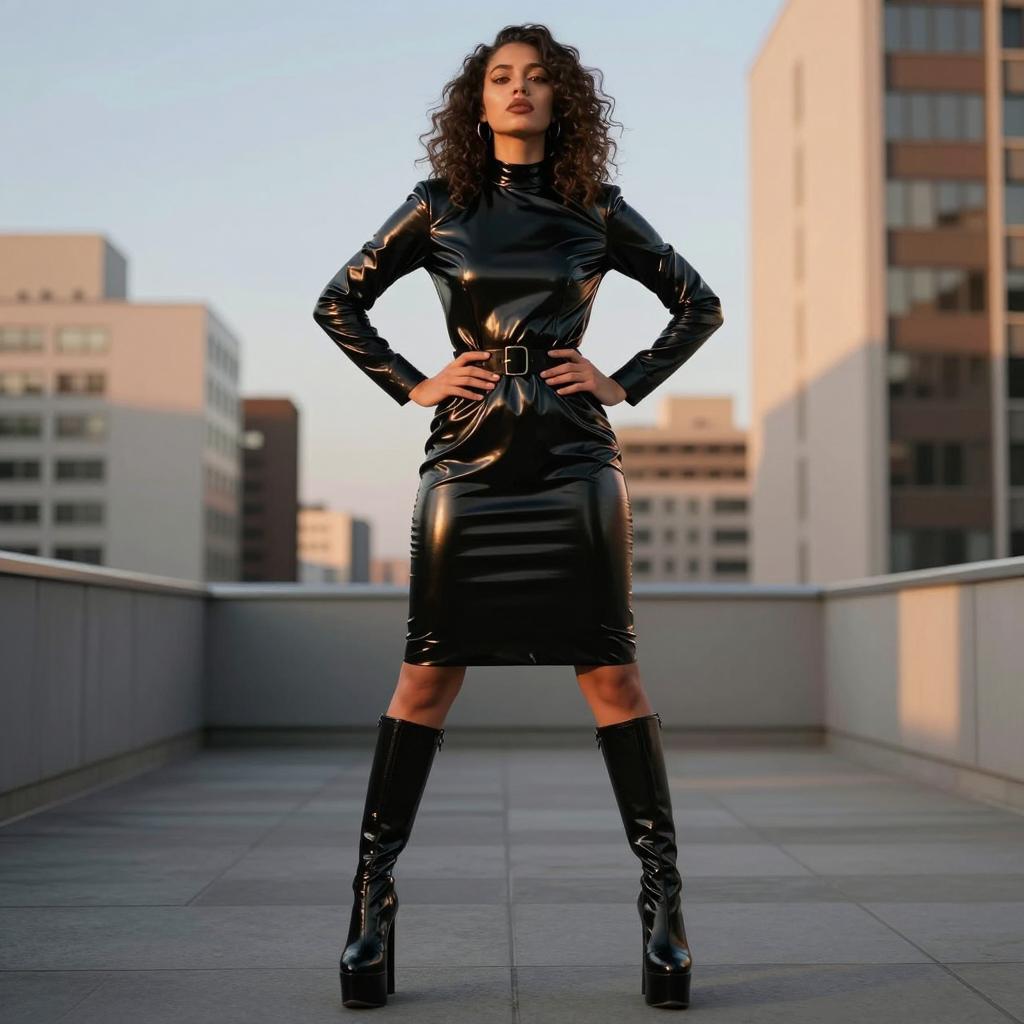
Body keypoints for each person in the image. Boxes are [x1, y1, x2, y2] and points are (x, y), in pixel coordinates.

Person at [312, 22, 724, 1011]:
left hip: (575, 464)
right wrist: (414, 383)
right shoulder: (439, 206)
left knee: (613, 672)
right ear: (478, 99)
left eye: (537, 79)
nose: (518, 91)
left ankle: (663, 906)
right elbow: (339, 304)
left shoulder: (595, 209)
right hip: (466, 468)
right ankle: (372, 904)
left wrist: (622, 380)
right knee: (425, 676)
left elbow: (696, 304)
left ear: (559, 101)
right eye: (501, 78)